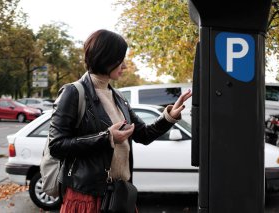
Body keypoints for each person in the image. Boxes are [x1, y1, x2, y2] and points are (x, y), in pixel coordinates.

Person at [48, 29, 192, 213]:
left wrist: (170, 116)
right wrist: (107, 138)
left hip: (118, 195)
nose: (124, 66)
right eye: (120, 60)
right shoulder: (73, 92)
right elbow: (57, 145)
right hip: (87, 197)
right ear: (106, 58)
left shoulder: (118, 96)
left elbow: (144, 134)